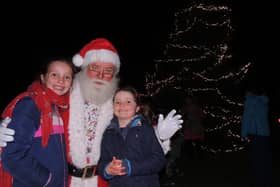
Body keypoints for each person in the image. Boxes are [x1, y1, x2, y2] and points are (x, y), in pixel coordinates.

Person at [0, 37, 183, 187]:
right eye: (95, 68)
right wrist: (5, 131)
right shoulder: (63, 99)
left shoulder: (117, 105)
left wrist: (160, 136)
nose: (101, 75)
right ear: (84, 69)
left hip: (102, 179)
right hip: (66, 180)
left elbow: (137, 138)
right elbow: (36, 101)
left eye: (108, 71)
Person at [0, 57, 74, 187]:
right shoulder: (31, 104)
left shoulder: (57, 108)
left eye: (67, 77)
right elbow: (12, 156)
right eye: (54, 75)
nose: (61, 81)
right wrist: (46, 180)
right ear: (43, 77)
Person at [98, 86, 166, 187]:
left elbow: (158, 160)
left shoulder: (144, 129)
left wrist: (131, 167)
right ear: (112, 106)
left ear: (137, 107)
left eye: (128, 102)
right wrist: (107, 169)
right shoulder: (108, 133)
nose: (122, 105)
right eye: (117, 102)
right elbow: (102, 161)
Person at [241, 86, 273, 187]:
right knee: (263, 160)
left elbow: (247, 118)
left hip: (255, 134)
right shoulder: (263, 101)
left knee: (256, 160)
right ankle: (265, 181)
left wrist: (243, 134)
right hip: (264, 134)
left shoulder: (250, 101)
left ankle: (258, 182)